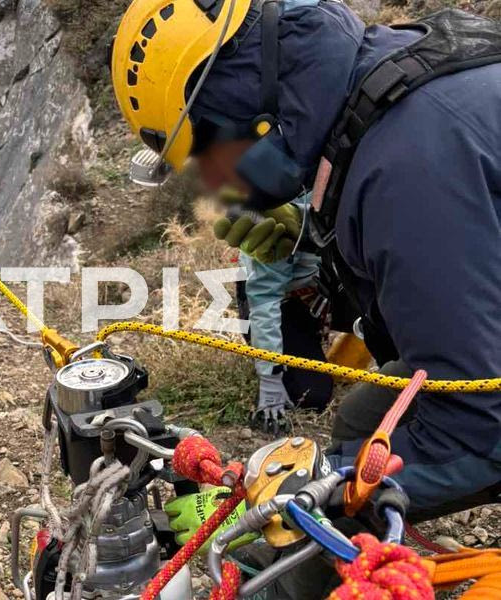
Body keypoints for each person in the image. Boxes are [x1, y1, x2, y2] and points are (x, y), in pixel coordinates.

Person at [111, 0, 501, 532]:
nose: (225, 186)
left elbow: (479, 426)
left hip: (485, 409)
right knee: (363, 416)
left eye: (212, 160)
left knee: (309, 517)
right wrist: (317, 251)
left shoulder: (401, 171)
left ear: (240, 107)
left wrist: (279, 503)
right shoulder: (389, 76)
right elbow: (442, 278)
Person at [222, 192, 334, 434]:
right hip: (281, 297)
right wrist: (270, 376)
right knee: (313, 394)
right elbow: (264, 299)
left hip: (328, 283)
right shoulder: (277, 207)